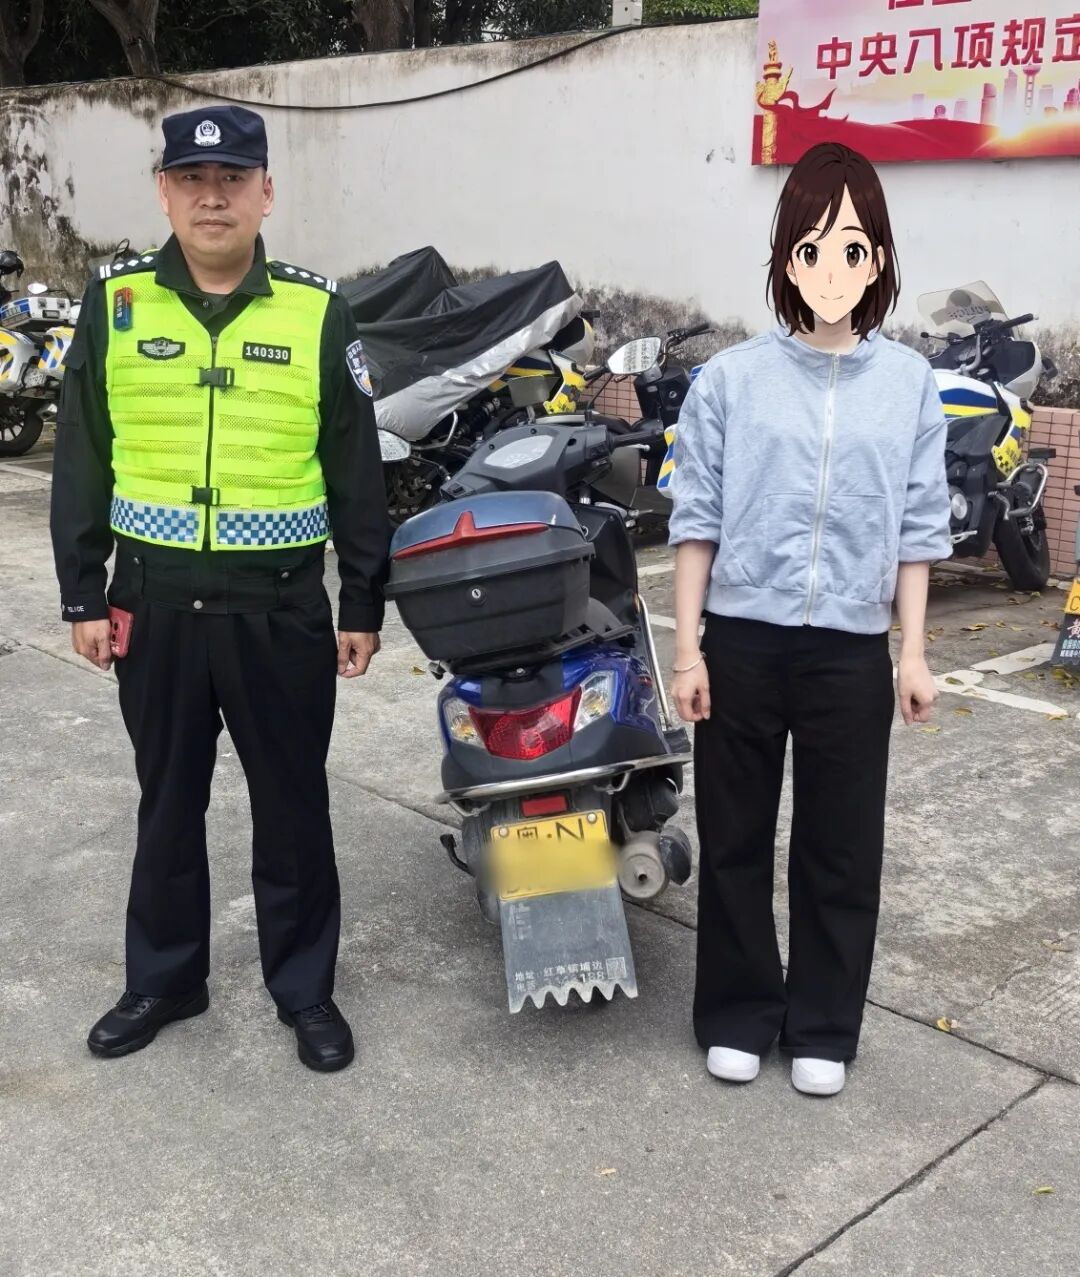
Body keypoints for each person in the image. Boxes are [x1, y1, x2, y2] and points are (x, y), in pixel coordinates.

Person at [50, 105, 390, 1073]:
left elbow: (355, 464)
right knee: (167, 802)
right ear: (163, 192)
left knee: (293, 805)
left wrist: (362, 600)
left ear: (265, 193)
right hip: (152, 603)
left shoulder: (318, 311)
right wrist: (82, 593)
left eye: (233, 179)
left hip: (280, 609)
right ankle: (166, 977)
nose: (213, 197)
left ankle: (305, 988)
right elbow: (82, 453)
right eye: (193, 180)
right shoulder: (116, 301)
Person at [668, 143, 951, 1097]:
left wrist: (913, 652)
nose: (833, 269)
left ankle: (824, 1023)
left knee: (841, 845)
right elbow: (696, 522)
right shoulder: (730, 381)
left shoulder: (908, 385)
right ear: (787, 256)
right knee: (735, 836)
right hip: (743, 643)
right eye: (814, 248)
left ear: (879, 263)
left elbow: (918, 529)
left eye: (854, 249)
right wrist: (689, 648)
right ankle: (738, 1011)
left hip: (849, 651)